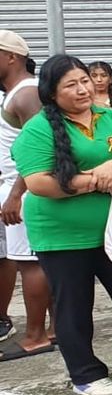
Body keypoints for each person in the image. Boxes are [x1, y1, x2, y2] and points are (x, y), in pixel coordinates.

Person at [11, 55, 112, 395]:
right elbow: (39, 182)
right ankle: (85, 375)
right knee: (74, 305)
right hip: (62, 236)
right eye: (71, 85)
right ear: (52, 93)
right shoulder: (38, 129)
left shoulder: (111, 117)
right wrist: (96, 181)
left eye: (85, 80)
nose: (82, 89)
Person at [0, 30, 53, 362]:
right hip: (21, 187)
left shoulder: (26, 93)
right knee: (38, 261)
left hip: (25, 189)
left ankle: (35, 335)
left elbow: (40, 147)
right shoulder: (16, 94)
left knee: (30, 263)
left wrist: (16, 194)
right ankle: (56, 329)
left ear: (11, 57)